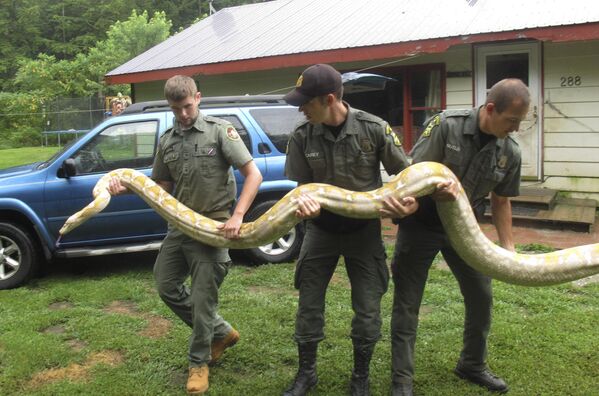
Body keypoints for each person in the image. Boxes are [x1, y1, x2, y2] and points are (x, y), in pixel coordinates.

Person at [108, 75, 263, 395]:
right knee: (166, 284)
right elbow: (161, 186)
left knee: (204, 301)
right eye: (176, 109)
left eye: (187, 106)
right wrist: (126, 188)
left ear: (198, 98)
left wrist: (237, 215)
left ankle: (198, 363)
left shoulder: (220, 131)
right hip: (179, 227)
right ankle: (221, 332)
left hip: (215, 227)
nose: (182, 114)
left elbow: (253, 174)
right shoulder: (167, 140)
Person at [383, 78, 530, 396]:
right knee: (408, 302)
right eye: (512, 121)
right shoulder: (446, 126)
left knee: (481, 295)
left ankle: (472, 364)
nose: (516, 128)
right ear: (491, 109)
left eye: (520, 122)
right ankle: (402, 380)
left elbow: (501, 200)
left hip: (466, 229)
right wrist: (434, 189)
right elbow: (414, 173)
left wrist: (508, 248)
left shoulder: (510, 150)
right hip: (421, 224)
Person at [282, 63, 418, 396]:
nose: (300, 109)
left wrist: (410, 204)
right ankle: (306, 373)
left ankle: (360, 377)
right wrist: (304, 205)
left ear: (329, 99)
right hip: (320, 231)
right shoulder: (302, 135)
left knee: (368, 308)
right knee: (309, 305)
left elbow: (408, 179)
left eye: (306, 102)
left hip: (363, 233)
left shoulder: (374, 129)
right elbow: (303, 186)